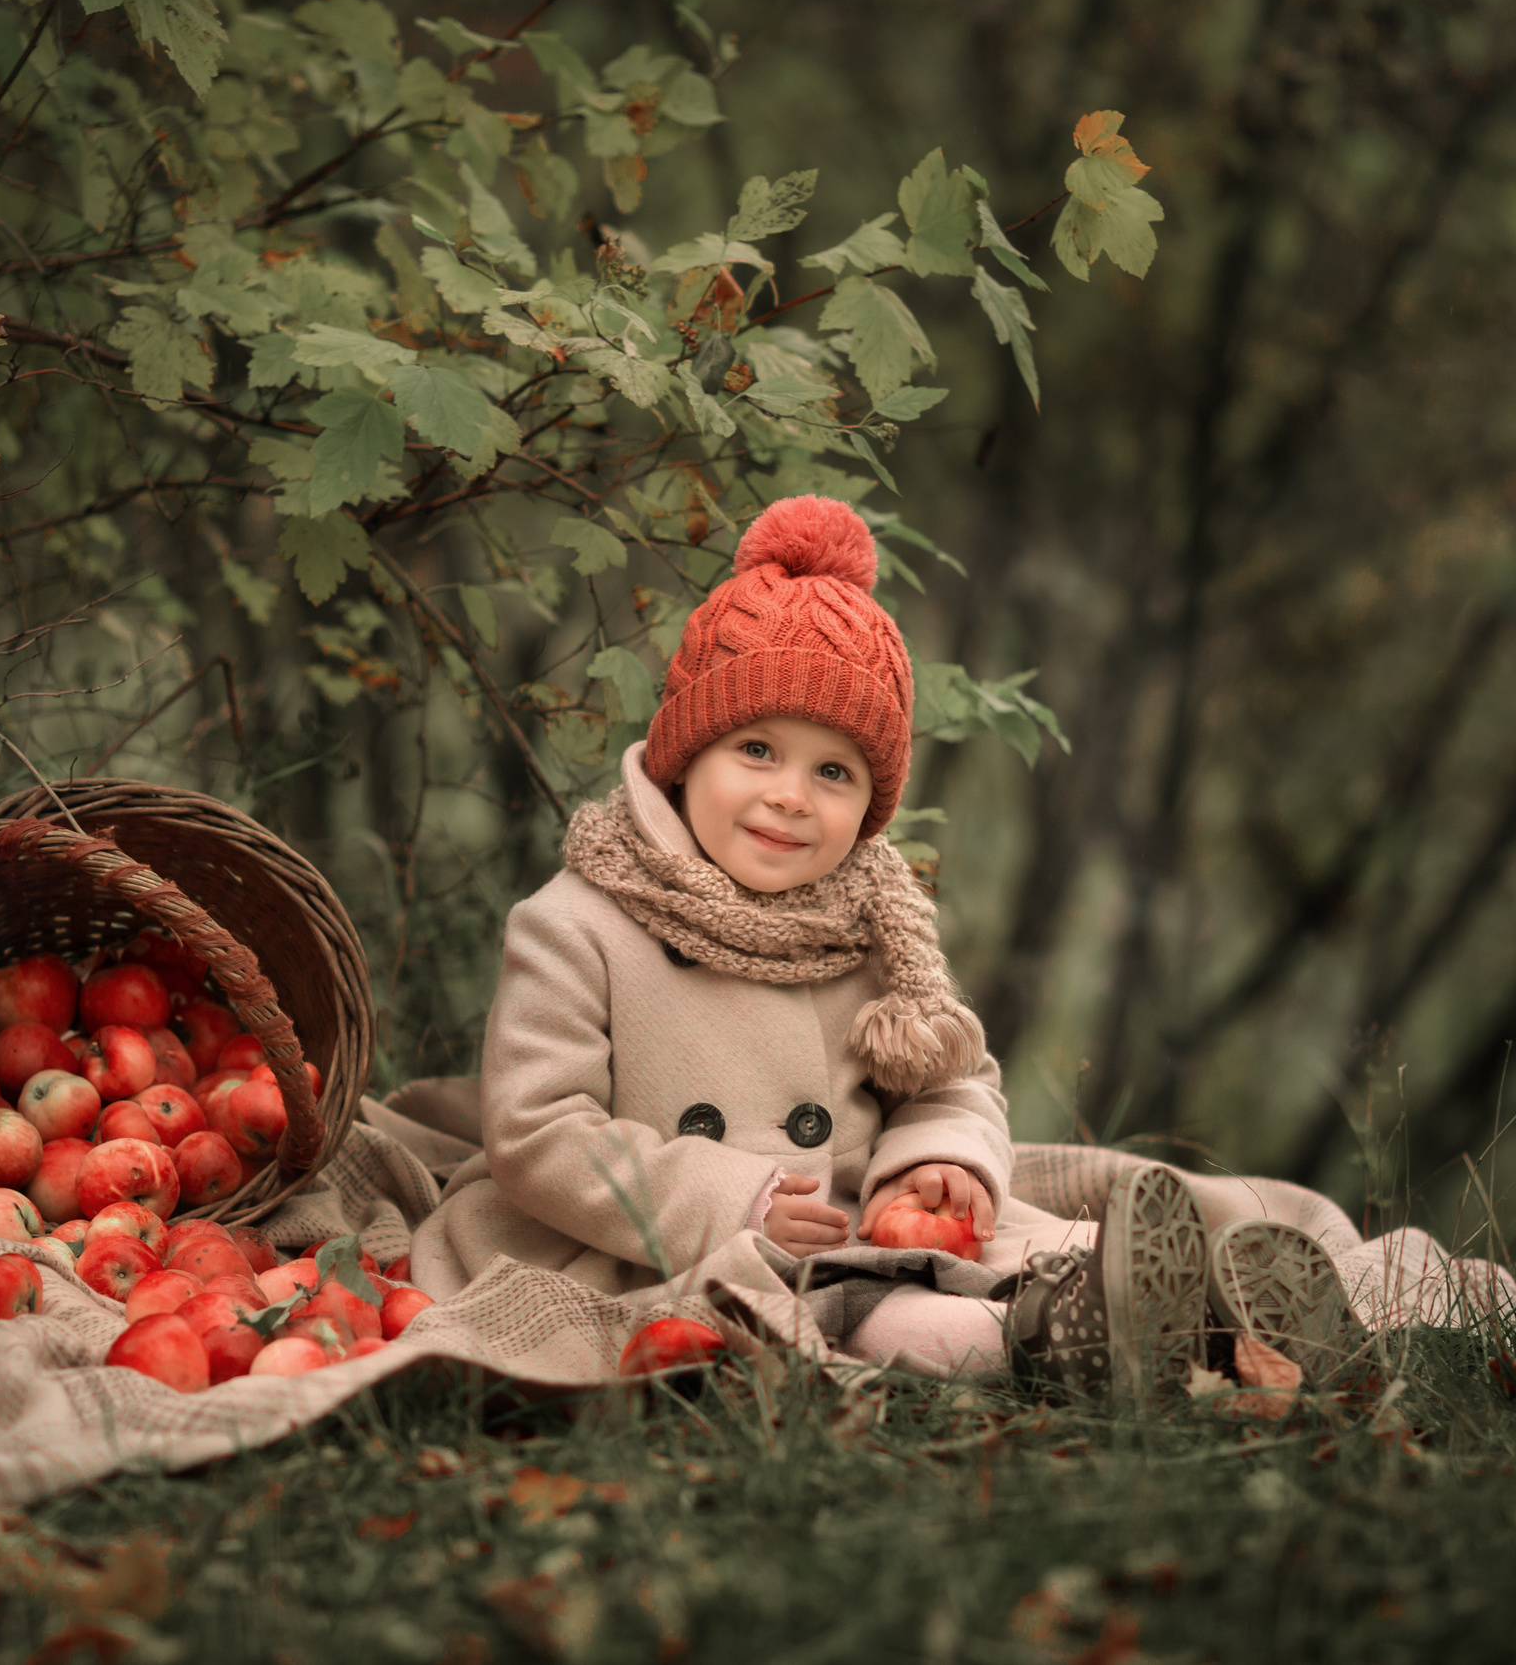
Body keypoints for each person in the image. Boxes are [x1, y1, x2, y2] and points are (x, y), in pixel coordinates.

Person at [407, 494, 1367, 1404]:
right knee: (882, 1313)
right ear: (683, 751)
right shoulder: (578, 923)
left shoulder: (874, 921)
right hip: (659, 1239)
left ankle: (1213, 1319)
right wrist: (730, 1200)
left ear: (869, 802)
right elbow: (541, 1131)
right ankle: (1062, 1345)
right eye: (756, 750)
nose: (791, 795)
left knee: (1024, 1249)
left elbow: (951, 1077)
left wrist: (935, 1161)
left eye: (833, 771)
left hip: (865, 1216)